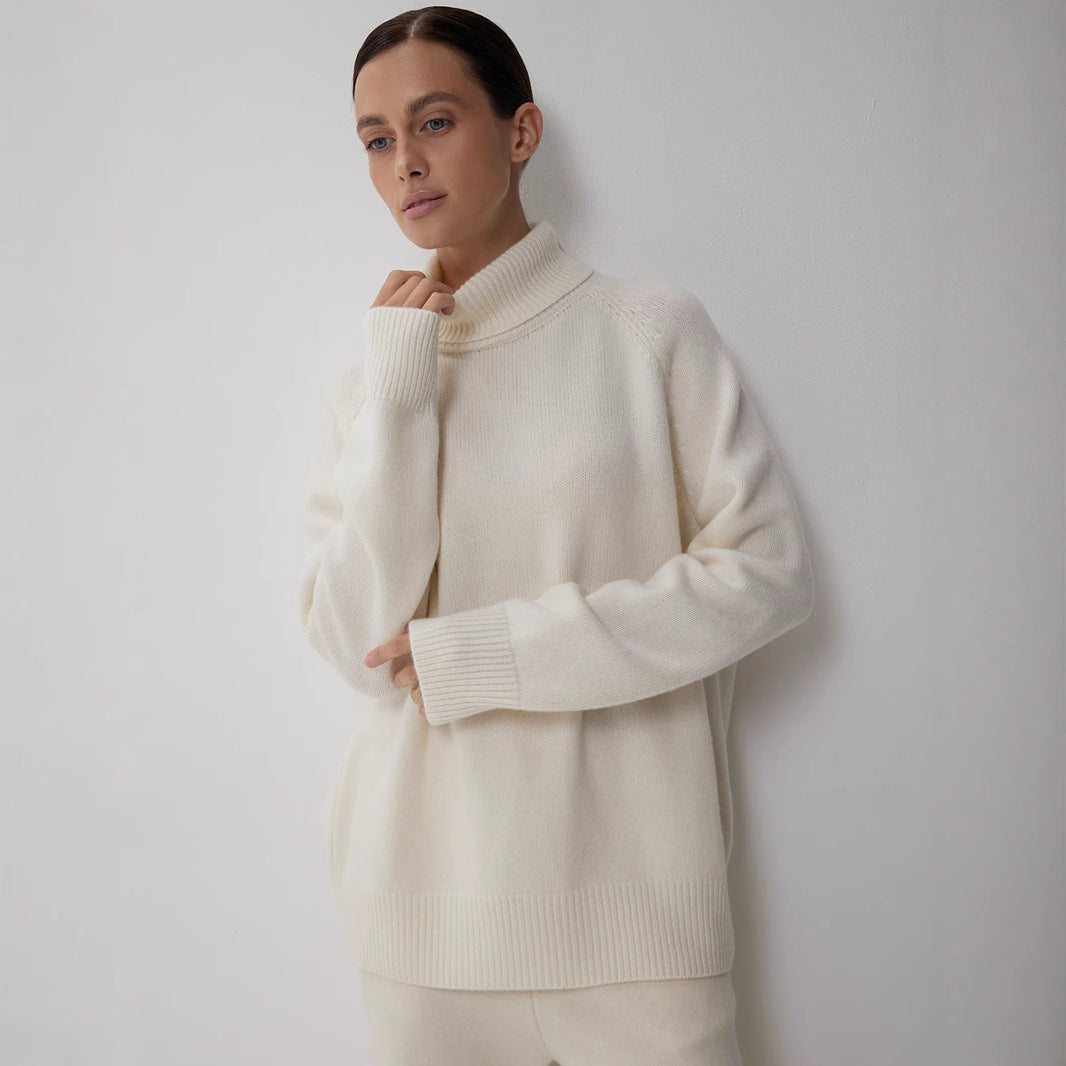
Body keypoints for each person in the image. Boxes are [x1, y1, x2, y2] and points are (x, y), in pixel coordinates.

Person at [297, 6, 814, 1064]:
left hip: (636, 922)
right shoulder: (375, 377)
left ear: (520, 131)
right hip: (421, 924)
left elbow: (765, 574)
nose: (405, 163)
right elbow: (354, 641)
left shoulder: (647, 330)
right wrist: (402, 395)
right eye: (377, 140)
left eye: (435, 121)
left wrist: (492, 652)